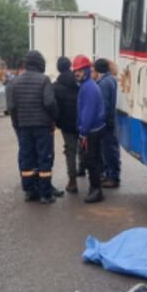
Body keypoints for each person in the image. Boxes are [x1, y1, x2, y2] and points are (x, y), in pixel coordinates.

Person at [6, 50, 59, 204]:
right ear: (40, 63)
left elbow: (11, 107)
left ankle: (30, 192)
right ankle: (45, 194)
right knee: (44, 159)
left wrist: (17, 123)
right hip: (42, 127)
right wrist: (53, 118)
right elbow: (49, 102)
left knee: (27, 159)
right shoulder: (44, 80)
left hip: (23, 127)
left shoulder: (15, 82)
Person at [73, 54, 105, 204]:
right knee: (94, 160)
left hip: (92, 131)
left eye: (79, 70)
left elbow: (88, 112)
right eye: (75, 71)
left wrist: (83, 132)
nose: (76, 73)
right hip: (94, 130)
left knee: (91, 161)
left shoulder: (88, 88)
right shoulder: (87, 86)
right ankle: (95, 188)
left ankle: (96, 190)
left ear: (86, 70)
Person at [53, 56, 80, 194]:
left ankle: (72, 181)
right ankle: (82, 168)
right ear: (70, 66)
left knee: (70, 150)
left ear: (58, 68)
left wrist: (57, 122)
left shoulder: (55, 86)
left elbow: (54, 107)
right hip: (81, 121)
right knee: (83, 146)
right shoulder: (78, 82)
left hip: (66, 124)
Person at [93, 58, 120, 188]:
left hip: (106, 123)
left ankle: (113, 177)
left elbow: (104, 105)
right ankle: (112, 175)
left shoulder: (104, 83)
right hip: (111, 121)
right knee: (111, 149)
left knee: (109, 151)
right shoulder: (111, 80)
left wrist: (100, 122)